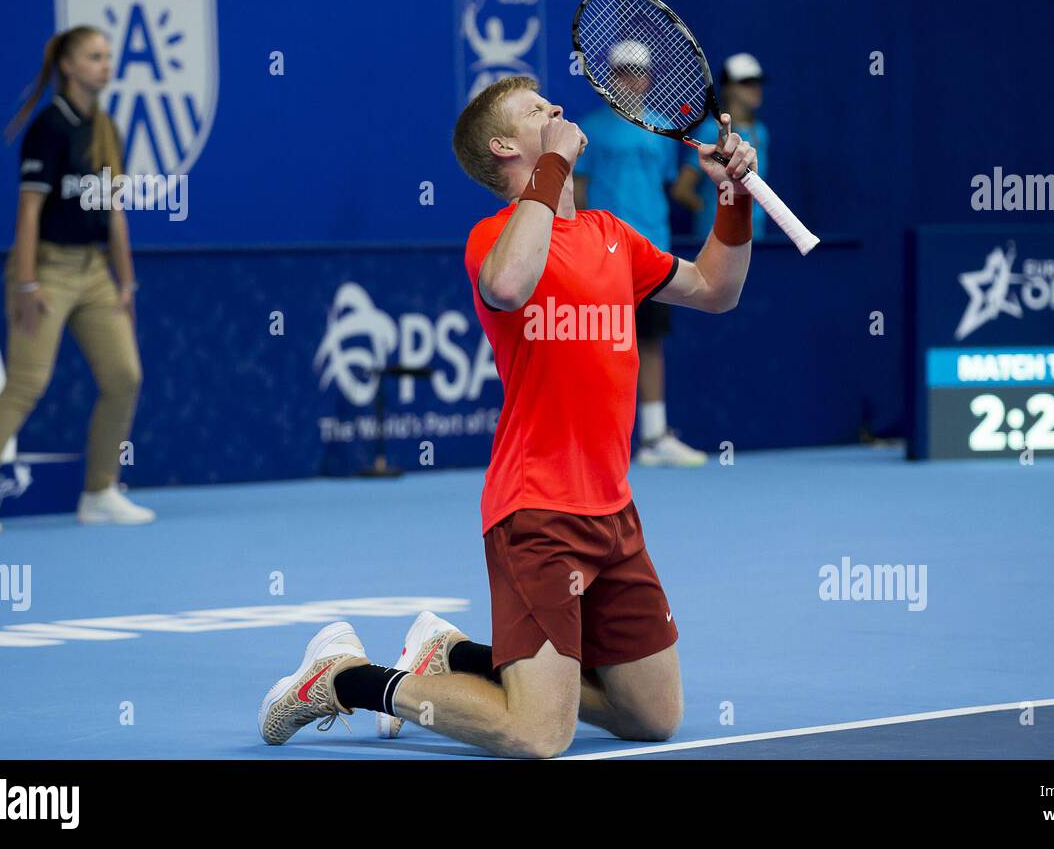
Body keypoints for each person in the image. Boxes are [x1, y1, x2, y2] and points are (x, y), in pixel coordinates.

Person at [258, 75, 759, 758]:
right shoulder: (492, 240)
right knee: (537, 735)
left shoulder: (614, 236)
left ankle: (453, 654)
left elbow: (715, 289)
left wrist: (732, 197)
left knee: (653, 715)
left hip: (615, 513)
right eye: (535, 111)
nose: (555, 109)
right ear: (503, 148)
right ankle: (349, 679)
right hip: (537, 511)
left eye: (551, 104)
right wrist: (553, 165)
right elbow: (508, 284)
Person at [0, 27, 153, 534]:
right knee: (26, 382)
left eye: (108, 57)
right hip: (47, 271)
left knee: (125, 377)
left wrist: (126, 284)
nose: (106, 65)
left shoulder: (108, 130)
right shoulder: (48, 129)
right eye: (95, 57)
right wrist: (27, 282)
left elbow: (116, 214)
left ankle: (100, 491)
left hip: (96, 274)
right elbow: (30, 211)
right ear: (68, 65)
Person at [574, 40, 707, 467]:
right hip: (601, 253)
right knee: (597, 348)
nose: (630, 79)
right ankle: (593, 440)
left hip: (652, 251)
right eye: (622, 71)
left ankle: (652, 438)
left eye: (638, 71)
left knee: (649, 343)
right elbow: (577, 193)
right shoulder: (587, 131)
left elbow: (662, 187)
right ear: (608, 77)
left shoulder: (663, 130)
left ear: (649, 77)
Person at [672, 52, 771, 245]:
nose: (755, 88)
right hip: (716, 242)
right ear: (728, 88)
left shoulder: (761, 132)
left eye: (757, 82)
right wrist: (713, 212)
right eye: (746, 82)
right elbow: (681, 190)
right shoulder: (711, 131)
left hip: (754, 240)